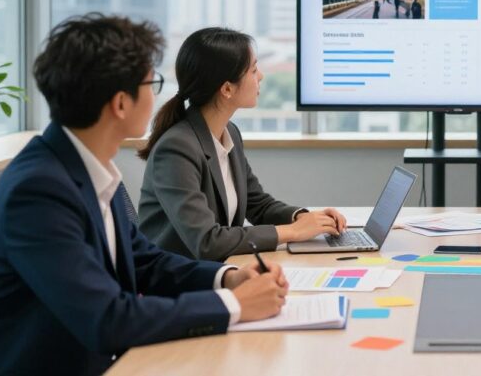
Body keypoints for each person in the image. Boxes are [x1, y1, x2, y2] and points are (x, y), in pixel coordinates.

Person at [0, 14, 289, 375]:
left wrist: (227, 277)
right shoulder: (38, 192)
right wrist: (232, 304)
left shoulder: (85, 169)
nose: (157, 96)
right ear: (121, 104)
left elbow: (144, 260)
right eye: (151, 83)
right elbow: (107, 318)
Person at [138, 27, 346, 261]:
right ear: (227, 89)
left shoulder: (229, 133)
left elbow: (258, 204)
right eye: (254, 70)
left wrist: (305, 218)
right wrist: (293, 232)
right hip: (179, 282)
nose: (261, 77)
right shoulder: (177, 148)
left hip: (215, 270)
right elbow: (207, 242)